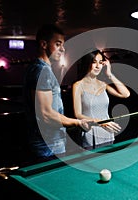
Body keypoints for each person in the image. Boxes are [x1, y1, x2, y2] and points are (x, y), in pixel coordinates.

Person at [23, 24, 95, 159]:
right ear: (44, 44)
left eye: (63, 44)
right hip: (48, 145)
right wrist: (77, 123)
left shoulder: (37, 68)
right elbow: (46, 114)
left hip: (48, 142)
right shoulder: (42, 71)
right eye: (58, 44)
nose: (63, 49)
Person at [72, 49, 130, 150]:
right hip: (90, 133)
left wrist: (110, 75)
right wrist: (100, 122)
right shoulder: (78, 86)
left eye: (100, 62)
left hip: (107, 131)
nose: (98, 66)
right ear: (87, 63)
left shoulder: (103, 84)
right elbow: (78, 114)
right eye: (94, 62)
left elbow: (126, 94)